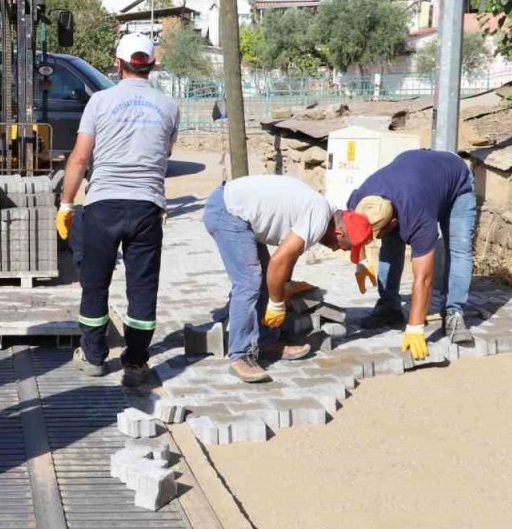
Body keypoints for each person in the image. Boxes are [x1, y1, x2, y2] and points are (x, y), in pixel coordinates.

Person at [56, 33, 178, 388]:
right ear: (151, 65)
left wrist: (66, 204)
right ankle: (137, 363)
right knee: (142, 287)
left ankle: (94, 357)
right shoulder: (169, 106)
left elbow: (80, 157)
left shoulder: (99, 101)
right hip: (147, 207)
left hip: (102, 206)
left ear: (118, 62)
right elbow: (165, 154)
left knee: (94, 284)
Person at [203, 175, 373, 382]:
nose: (338, 249)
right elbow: (279, 261)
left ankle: (266, 342)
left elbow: (286, 261)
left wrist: (361, 263)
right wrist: (276, 303)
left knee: (268, 280)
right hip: (228, 211)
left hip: (240, 212)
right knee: (249, 282)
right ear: (338, 233)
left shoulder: (331, 215)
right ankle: (239, 356)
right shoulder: (319, 217)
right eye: (343, 247)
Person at [347, 149, 477, 362]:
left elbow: (423, 278)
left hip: (456, 182)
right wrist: (360, 262)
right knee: (391, 243)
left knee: (458, 247)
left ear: (394, 222)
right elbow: (354, 231)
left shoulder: (418, 217)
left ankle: (454, 313)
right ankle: (389, 307)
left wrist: (415, 327)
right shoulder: (361, 201)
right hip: (417, 178)